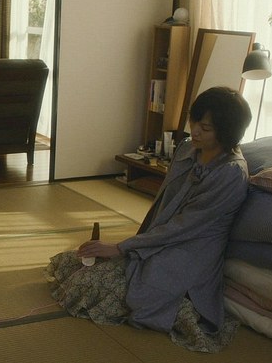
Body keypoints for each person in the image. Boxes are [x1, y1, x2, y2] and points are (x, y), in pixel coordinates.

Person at [45, 86, 253, 352]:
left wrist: (122, 247)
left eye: (206, 128)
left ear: (226, 132)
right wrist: (132, 244)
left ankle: (181, 303)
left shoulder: (231, 173)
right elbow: (162, 206)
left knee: (88, 285)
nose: (195, 131)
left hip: (189, 252)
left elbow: (184, 227)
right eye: (194, 122)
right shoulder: (188, 148)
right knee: (72, 264)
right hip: (158, 238)